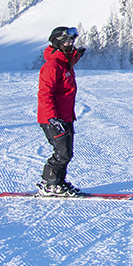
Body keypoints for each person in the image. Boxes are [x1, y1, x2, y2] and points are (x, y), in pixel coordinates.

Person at [36, 26, 86, 196]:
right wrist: (52, 118)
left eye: (71, 41)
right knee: (62, 153)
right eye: (66, 41)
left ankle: (58, 182)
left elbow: (69, 60)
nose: (70, 44)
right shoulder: (52, 66)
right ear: (57, 43)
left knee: (66, 152)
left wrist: (77, 54)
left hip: (65, 117)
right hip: (53, 118)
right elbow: (45, 94)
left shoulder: (64, 62)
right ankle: (49, 183)